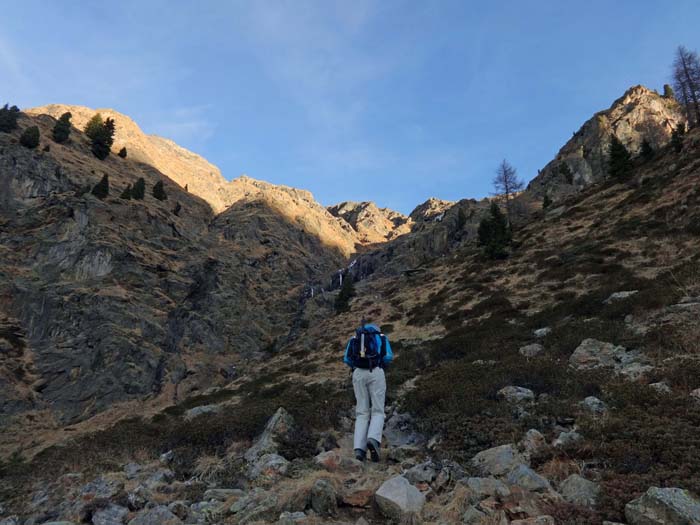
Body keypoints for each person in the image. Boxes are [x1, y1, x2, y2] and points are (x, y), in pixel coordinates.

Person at [343, 319, 393, 462]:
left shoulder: (355, 338)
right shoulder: (381, 337)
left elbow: (347, 359)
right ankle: (373, 439)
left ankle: (359, 449)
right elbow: (388, 356)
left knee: (362, 412)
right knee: (377, 410)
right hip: (376, 372)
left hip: (358, 374)